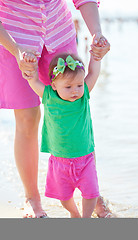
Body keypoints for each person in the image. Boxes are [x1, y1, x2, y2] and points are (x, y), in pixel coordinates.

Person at [0, 0, 110, 218]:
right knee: (27, 118)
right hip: (13, 38)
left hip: (58, 33)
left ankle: (92, 193)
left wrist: (97, 33)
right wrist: (16, 49)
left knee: (76, 110)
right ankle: (32, 198)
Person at [23, 51, 101, 218]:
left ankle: (85, 219)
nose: (75, 91)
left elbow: (93, 72)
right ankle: (74, 214)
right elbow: (33, 80)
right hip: (60, 161)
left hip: (85, 158)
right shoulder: (48, 96)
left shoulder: (83, 95)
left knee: (92, 193)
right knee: (64, 198)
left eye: (79, 85)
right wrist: (30, 65)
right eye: (68, 87)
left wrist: (96, 58)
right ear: (54, 85)